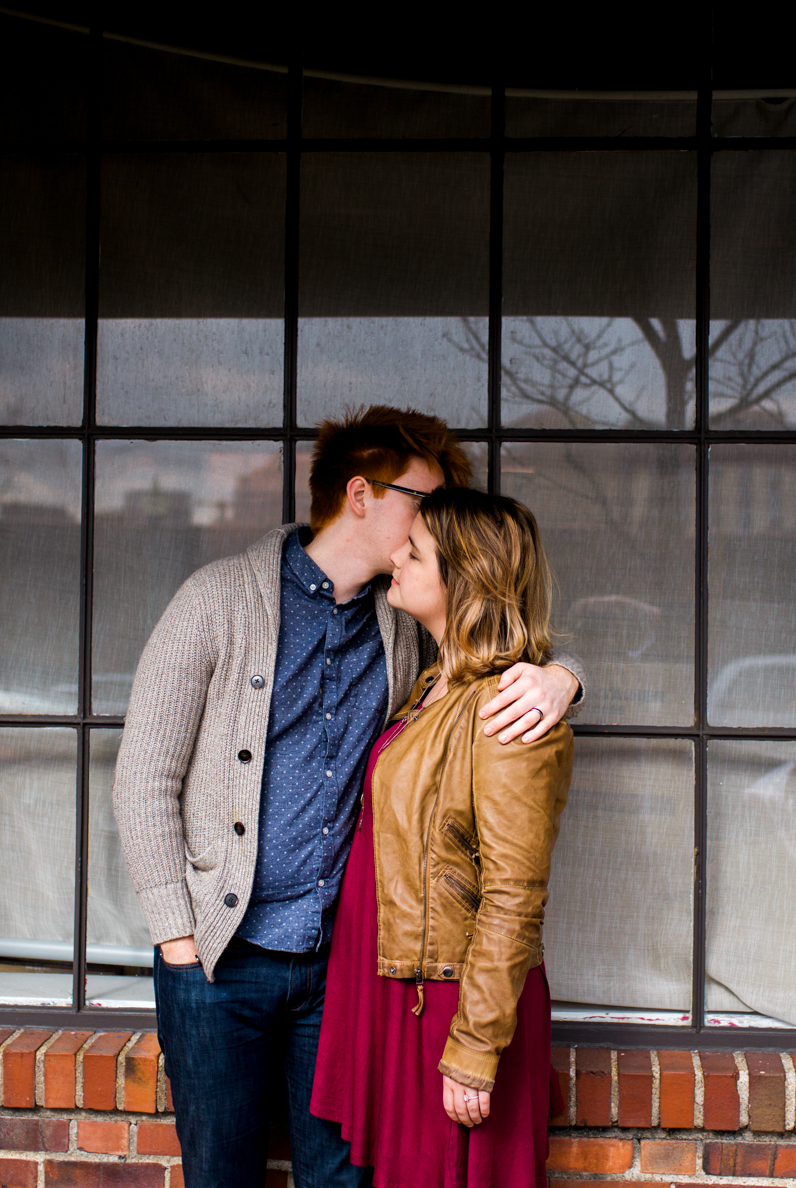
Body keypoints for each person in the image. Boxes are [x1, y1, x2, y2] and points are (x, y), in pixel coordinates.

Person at [112, 407, 585, 1188]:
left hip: (339, 975)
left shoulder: (401, 619)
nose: (431, 524)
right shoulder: (217, 599)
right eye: (422, 502)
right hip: (218, 964)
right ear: (360, 495)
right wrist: (177, 939)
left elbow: (495, 622)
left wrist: (563, 677)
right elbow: (144, 778)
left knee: (340, 1178)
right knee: (220, 1174)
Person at [311, 486, 574, 1188]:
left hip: (455, 1003)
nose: (395, 551)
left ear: (465, 582)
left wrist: (475, 1048)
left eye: (416, 550)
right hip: (408, 988)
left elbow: (515, 895)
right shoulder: (435, 683)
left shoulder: (505, 713)